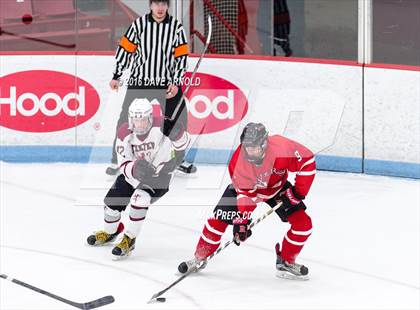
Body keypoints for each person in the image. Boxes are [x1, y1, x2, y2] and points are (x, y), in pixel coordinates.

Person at [178, 123, 316, 279]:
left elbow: (307, 162)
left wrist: (297, 193)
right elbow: (245, 194)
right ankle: (199, 257)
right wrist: (242, 221)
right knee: (218, 220)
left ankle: (286, 261)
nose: (249, 152)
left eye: (254, 148)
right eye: (246, 147)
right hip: (246, 191)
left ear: (264, 143)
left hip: (277, 189)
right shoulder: (238, 161)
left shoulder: (281, 148)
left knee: (304, 225)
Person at [87, 98, 190, 259]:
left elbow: (184, 145)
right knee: (111, 205)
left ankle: (129, 239)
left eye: (143, 120)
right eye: (136, 120)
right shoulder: (124, 133)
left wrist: (177, 134)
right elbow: (123, 162)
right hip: (133, 175)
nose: (139, 124)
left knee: (139, 199)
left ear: (150, 118)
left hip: (160, 175)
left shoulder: (163, 125)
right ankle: (110, 232)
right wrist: (135, 169)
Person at [107, 0, 196, 176]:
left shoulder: (176, 28)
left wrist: (176, 81)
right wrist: (117, 75)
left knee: (178, 118)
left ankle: (179, 159)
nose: (160, 8)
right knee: (125, 119)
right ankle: (118, 159)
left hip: (166, 84)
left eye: (163, 4)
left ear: (168, 6)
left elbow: (181, 58)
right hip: (140, 82)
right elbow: (125, 50)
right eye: (156, 3)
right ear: (150, 5)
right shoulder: (138, 25)